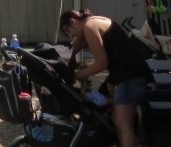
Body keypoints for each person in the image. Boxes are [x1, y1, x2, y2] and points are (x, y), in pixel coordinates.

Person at [59, 8, 151, 147]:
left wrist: (73, 76)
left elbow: (101, 64)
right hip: (128, 75)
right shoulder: (95, 21)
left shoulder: (90, 27)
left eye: (68, 31)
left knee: (122, 123)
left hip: (130, 76)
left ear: (73, 21)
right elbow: (70, 50)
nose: (72, 36)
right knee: (118, 120)